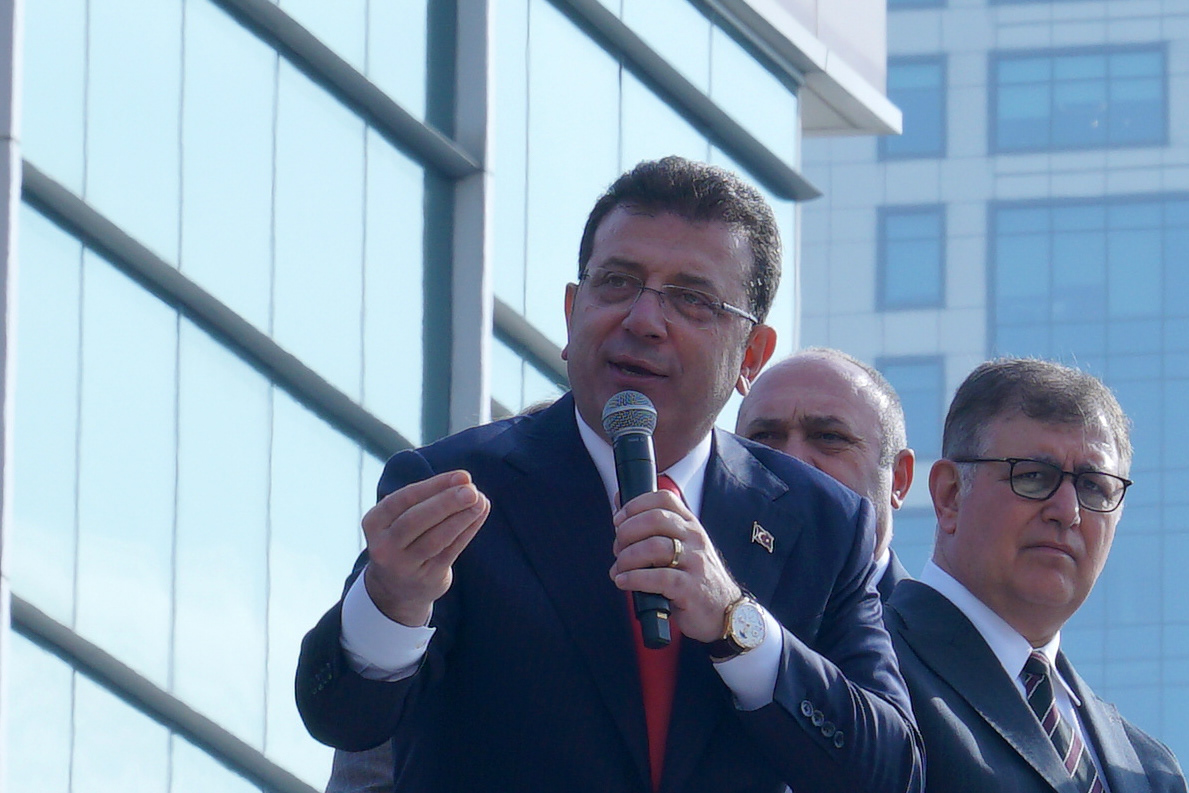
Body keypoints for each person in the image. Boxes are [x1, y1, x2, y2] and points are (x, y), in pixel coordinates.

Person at [295, 156, 924, 793]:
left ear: (752, 356)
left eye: (692, 299)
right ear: (572, 313)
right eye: (618, 283)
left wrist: (734, 622)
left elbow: (892, 771)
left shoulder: (821, 522)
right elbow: (344, 715)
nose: (644, 320)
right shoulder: (461, 485)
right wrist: (391, 603)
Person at [884, 358, 1187, 793]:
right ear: (950, 495)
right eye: (1033, 477)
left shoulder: (1152, 769)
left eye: (1094, 487)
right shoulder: (866, 663)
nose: (1068, 512)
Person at [735, 348, 914, 600]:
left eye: (829, 437)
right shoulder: (674, 615)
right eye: (764, 437)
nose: (792, 461)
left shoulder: (941, 638)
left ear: (898, 479)